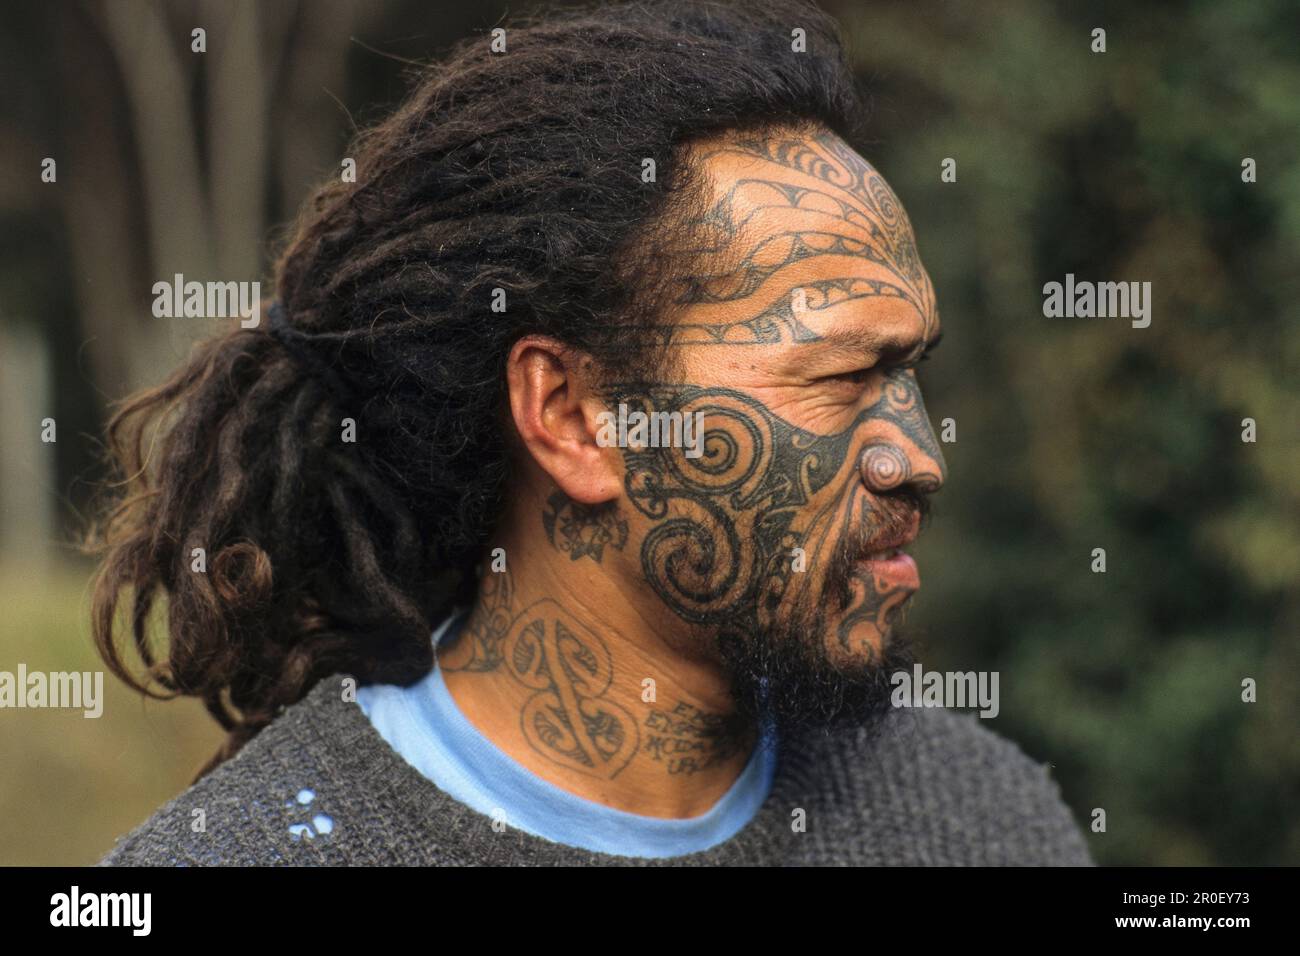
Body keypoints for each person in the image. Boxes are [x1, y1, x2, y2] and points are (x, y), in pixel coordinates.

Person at [94, 0, 1091, 866]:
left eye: (910, 371)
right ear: (572, 415)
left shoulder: (983, 819)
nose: (918, 456)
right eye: (842, 377)